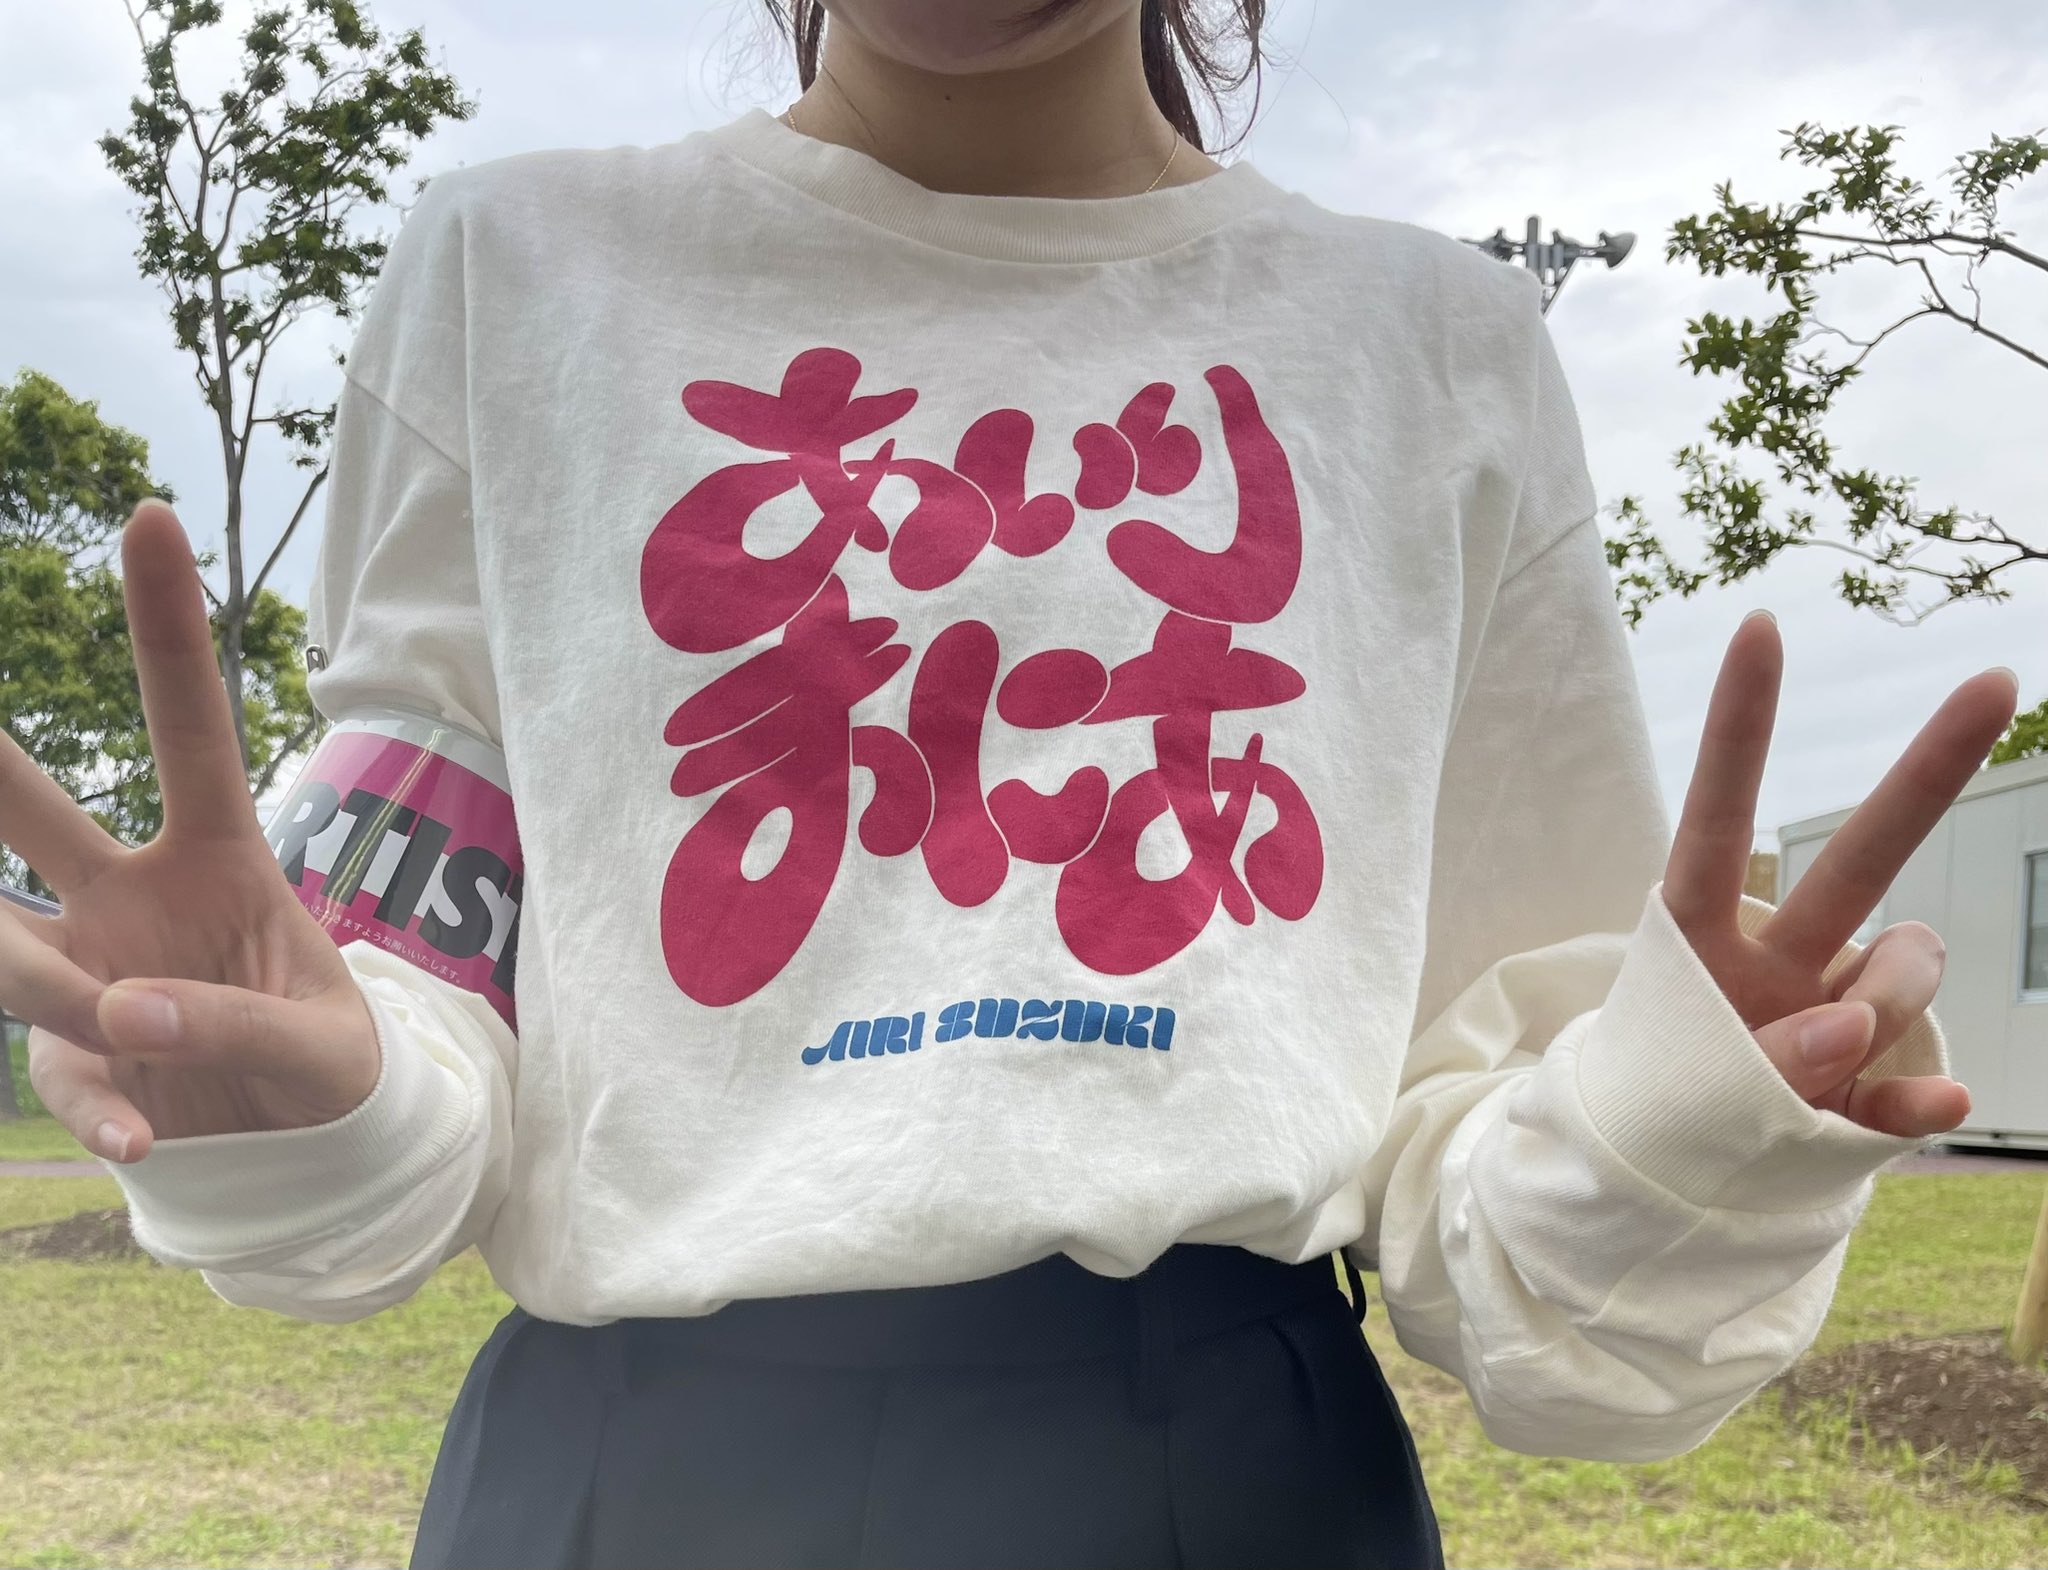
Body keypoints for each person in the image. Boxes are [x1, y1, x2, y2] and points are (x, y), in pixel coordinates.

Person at [0, 1, 2016, 1565]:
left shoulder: (1435, 348)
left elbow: (1501, 1216)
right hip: (631, 1482)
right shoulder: (511, 273)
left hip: (1235, 1486)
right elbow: (429, 1028)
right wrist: (304, 1096)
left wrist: (1677, 1123)